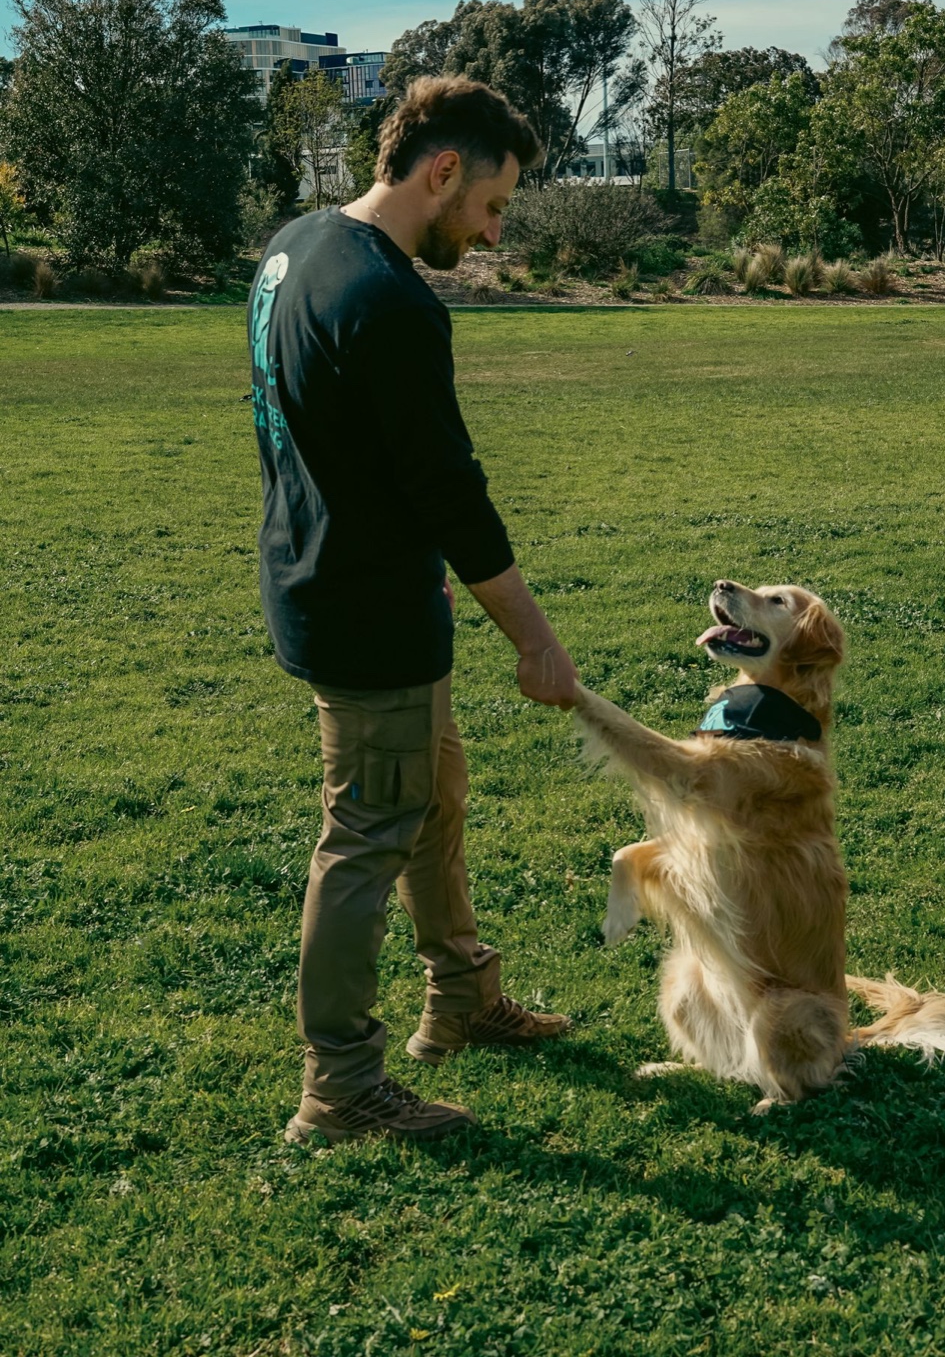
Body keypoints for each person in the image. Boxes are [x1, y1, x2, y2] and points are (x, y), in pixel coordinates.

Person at [248, 75, 578, 1145]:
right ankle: (339, 1085)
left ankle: (461, 995)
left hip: (333, 578)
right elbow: (451, 494)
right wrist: (534, 639)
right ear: (443, 170)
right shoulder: (391, 301)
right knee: (366, 835)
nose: (489, 231)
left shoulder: (297, 246)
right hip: (365, 611)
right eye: (490, 205)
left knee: (433, 793)